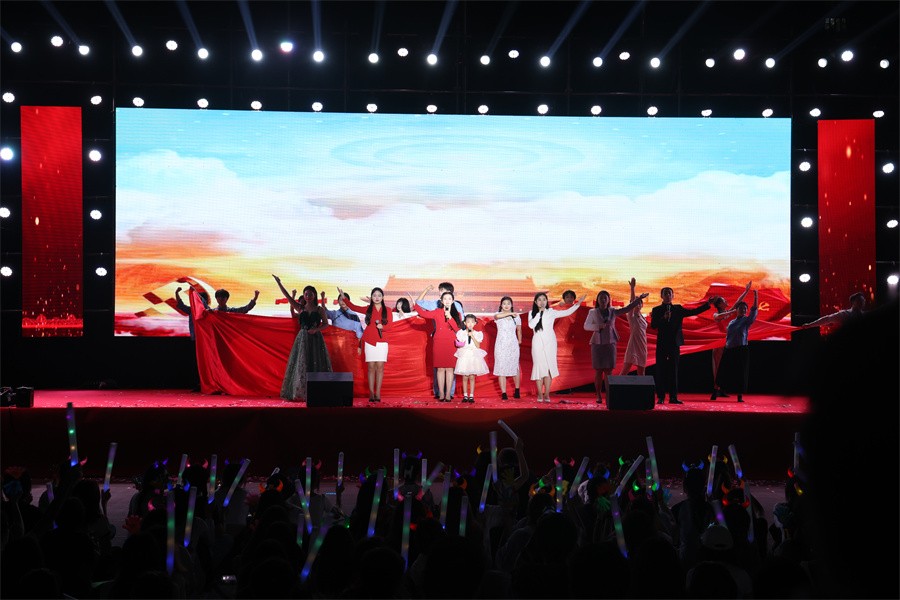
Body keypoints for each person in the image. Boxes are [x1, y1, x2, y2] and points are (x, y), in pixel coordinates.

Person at [583, 287, 649, 403]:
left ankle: (609, 395)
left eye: (605, 298)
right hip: (597, 344)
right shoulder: (593, 312)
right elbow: (586, 326)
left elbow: (627, 308)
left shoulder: (613, 311)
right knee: (598, 371)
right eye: (601, 298)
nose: (603, 300)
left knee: (609, 371)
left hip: (610, 343)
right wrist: (598, 326)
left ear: (609, 300)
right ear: (598, 300)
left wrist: (639, 299)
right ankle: (598, 395)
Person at [273, 275, 332, 402]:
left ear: (314, 295)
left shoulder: (319, 309)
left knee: (316, 363)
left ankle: (317, 393)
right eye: (306, 294)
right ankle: (301, 393)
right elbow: (287, 296)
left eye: (310, 294)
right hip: (302, 339)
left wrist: (316, 330)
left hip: (316, 339)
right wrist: (279, 283)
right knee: (302, 364)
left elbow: (326, 324)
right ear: (304, 296)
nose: (308, 296)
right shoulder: (300, 308)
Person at [649, 287, 713, 405]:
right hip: (662, 344)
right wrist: (663, 318)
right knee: (661, 370)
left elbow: (693, 312)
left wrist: (707, 305)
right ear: (661, 296)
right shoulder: (657, 310)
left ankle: (673, 397)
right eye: (665, 293)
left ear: (673, 296)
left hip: (674, 344)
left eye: (670, 293)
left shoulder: (678, 309)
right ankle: (661, 397)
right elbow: (653, 325)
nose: (668, 295)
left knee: (673, 371)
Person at [528, 291, 585, 403]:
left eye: (544, 300)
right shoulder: (532, 313)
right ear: (535, 302)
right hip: (537, 342)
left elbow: (567, 312)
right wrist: (539, 314)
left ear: (546, 301)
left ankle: (546, 394)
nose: (542, 302)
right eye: (539, 300)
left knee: (549, 367)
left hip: (550, 342)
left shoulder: (551, 312)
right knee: (539, 367)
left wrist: (578, 304)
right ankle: (539, 394)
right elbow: (531, 325)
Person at [342, 287, 392, 403]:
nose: (377, 297)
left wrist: (382, 327)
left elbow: (390, 326)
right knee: (371, 367)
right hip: (370, 341)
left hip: (382, 342)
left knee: (380, 367)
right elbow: (354, 307)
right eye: (374, 295)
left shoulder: (388, 310)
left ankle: (378, 393)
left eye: (379, 295)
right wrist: (344, 298)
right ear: (371, 297)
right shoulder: (368, 309)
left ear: (383, 297)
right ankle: (371, 393)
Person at [416, 282, 464, 399]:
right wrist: (415, 305)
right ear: (441, 301)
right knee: (440, 368)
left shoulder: (457, 313)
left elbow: (458, 329)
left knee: (450, 369)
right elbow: (422, 313)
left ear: (453, 300)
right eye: (445, 299)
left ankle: (448, 394)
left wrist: (450, 317)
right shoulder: (437, 311)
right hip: (438, 342)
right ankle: (441, 393)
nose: (447, 301)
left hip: (451, 343)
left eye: (449, 299)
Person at [709, 281, 752, 400]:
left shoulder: (729, 312)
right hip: (719, 344)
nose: (726, 301)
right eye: (723, 300)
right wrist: (735, 311)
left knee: (730, 368)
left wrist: (746, 291)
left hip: (730, 343)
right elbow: (719, 317)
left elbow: (738, 302)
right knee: (719, 368)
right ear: (719, 304)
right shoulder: (716, 314)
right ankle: (715, 390)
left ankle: (723, 390)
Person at [715, 289, 758, 403]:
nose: (743, 310)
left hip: (741, 349)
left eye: (745, 309)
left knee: (740, 373)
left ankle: (739, 396)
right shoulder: (731, 322)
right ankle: (717, 391)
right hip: (729, 349)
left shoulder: (746, 321)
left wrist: (755, 296)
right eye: (741, 308)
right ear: (737, 310)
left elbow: (754, 310)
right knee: (723, 371)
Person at [174, 286, 211, 392]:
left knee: (205, 364)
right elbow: (181, 305)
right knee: (196, 364)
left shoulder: (208, 311)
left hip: (205, 342)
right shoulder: (192, 310)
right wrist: (177, 293)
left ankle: (207, 384)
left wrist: (195, 293)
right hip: (195, 340)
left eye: (199, 300)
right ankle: (199, 384)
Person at [453, 314, 490, 403]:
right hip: (465, 356)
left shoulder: (478, 334)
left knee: (472, 376)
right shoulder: (461, 333)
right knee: (465, 376)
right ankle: (465, 395)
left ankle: (471, 396)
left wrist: (472, 336)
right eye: (468, 322)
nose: (470, 324)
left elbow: (478, 345)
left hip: (473, 356)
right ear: (465, 323)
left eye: (472, 322)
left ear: (475, 323)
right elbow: (460, 344)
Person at [492, 296, 523, 400]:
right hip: (501, 344)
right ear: (501, 305)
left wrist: (519, 341)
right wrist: (510, 313)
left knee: (515, 366)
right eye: (504, 303)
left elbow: (519, 330)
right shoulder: (498, 315)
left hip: (512, 344)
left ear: (512, 305)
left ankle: (517, 390)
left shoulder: (516, 317)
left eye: (508, 303)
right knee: (501, 367)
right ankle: (504, 393)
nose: (506, 305)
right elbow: (497, 316)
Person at [619, 278, 649, 377]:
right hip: (633, 345)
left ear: (642, 305)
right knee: (625, 371)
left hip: (642, 345)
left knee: (641, 372)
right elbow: (632, 302)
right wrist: (632, 288)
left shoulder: (643, 317)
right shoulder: (631, 315)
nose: (638, 304)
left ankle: (641, 388)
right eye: (636, 303)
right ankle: (616, 387)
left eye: (640, 303)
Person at [800, 291, 866, 331]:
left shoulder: (866, 315)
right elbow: (827, 319)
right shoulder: (844, 314)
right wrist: (810, 325)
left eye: (863, 300)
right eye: (859, 300)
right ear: (853, 302)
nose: (862, 302)